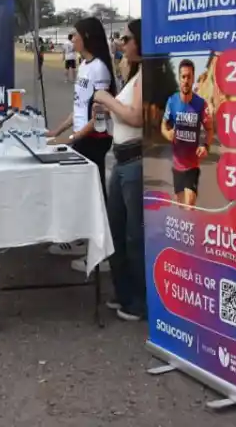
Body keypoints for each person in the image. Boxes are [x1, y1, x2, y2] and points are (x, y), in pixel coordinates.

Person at [45, 17, 116, 270]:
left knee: (94, 194)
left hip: (94, 140)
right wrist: (57, 130)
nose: (71, 39)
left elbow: (100, 115)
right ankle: (79, 239)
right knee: (77, 192)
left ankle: (103, 253)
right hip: (82, 137)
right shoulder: (85, 65)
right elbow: (78, 107)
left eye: (75, 34)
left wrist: (73, 138)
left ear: (86, 36)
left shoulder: (99, 69)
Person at [92, 19, 145, 321]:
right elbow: (124, 116)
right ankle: (124, 292)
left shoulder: (147, 75)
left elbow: (136, 118)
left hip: (136, 160)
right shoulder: (134, 75)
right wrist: (107, 109)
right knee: (117, 230)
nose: (122, 44)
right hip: (123, 159)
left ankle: (139, 301)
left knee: (134, 235)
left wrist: (107, 99)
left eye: (127, 39)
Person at [162, 59, 213, 208]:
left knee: (189, 205)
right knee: (181, 207)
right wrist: (167, 134)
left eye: (189, 77)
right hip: (177, 165)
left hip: (192, 165)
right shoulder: (172, 102)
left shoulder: (200, 104)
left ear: (193, 78)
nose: (186, 80)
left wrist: (205, 146)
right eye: (183, 77)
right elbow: (163, 125)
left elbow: (209, 129)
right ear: (179, 78)